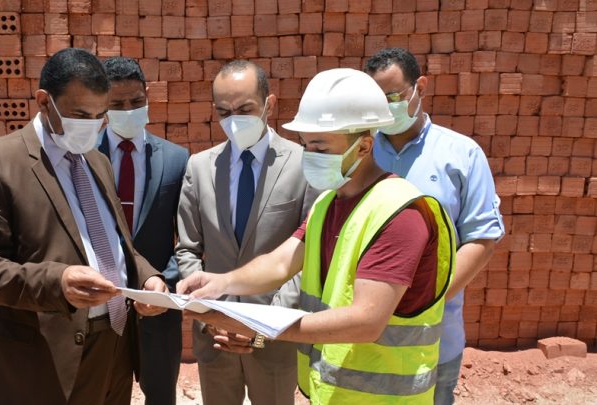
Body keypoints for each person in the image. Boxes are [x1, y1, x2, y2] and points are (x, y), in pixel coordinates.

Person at [177, 68, 457, 404]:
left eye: (320, 148)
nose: (309, 156)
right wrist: (220, 283)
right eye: (306, 145)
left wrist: (259, 327)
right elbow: (280, 264)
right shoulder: (327, 204)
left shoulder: (400, 213)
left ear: (364, 146)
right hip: (334, 392)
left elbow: (367, 321)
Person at [0, 48, 167, 405]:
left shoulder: (97, 161)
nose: (92, 125)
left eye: (100, 116)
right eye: (80, 115)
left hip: (116, 345)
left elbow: (114, 242)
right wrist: (58, 282)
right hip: (46, 357)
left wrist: (146, 277)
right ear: (44, 101)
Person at [365, 48, 505, 405]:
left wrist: (426, 301)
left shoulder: (461, 154)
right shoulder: (360, 153)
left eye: (394, 97)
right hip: (364, 337)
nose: (387, 108)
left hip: (435, 337)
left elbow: (482, 239)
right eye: (377, 101)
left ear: (421, 87)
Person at [175, 60, 310, 405]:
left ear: (270, 104)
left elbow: (308, 255)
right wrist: (212, 315)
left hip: (275, 339)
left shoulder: (302, 165)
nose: (234, 119)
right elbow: (188, 249)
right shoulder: (199, 168)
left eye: (245, 109)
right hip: (215, 337)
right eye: (224, 111)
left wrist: (262, 325)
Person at [97, 56, 189, 405]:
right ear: (102, 103)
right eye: (117, 104)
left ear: (147, 95)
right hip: (101, 305)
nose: (128, 111)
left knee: (161, 395)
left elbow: (188, 239)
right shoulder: (83, 157)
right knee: (102, 392)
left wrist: (164, 284)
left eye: (136, 101)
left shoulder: (176, 160)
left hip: (158, 307)